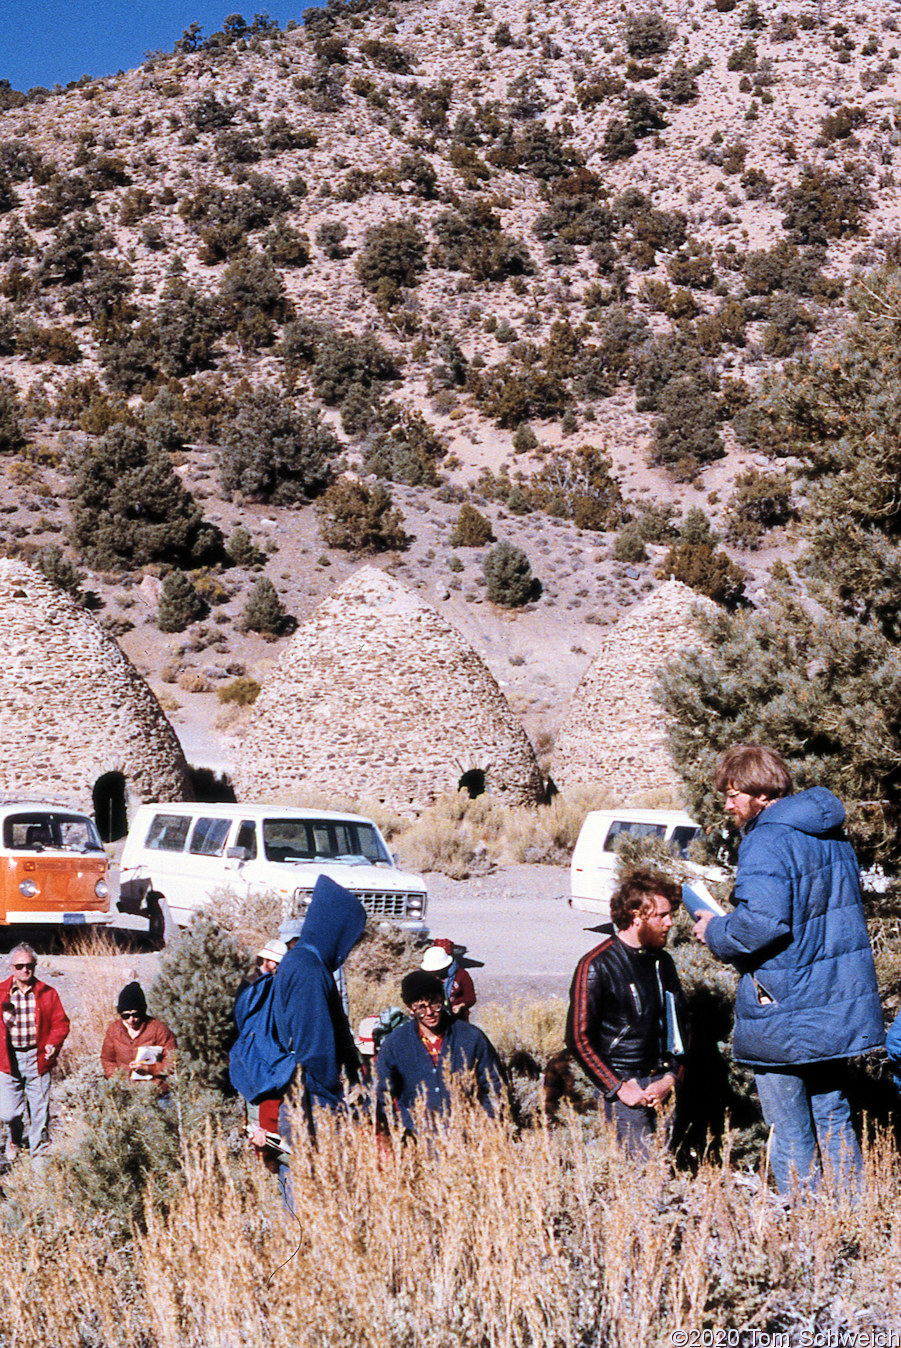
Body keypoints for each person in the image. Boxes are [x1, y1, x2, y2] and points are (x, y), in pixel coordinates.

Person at [693, 744, 884, 1196]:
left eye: (734, 793)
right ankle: (848, 1221)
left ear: (760, 793)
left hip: (783, 1004)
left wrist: (715, 931)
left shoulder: (767, 838)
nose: (727, 804)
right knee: (833, 1113)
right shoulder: (830, 835)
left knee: (788, 1126)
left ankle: (803, 1228)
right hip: (832, 1004)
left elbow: (761, 924)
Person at [565, 867, 687, 1155]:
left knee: (665, 1168)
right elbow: (577, 1038)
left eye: (671, 915)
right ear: (636, 916)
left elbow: (681, 1028)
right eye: (662, 916)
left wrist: (670, 1078)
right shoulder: (596, 965)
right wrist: (619, 1087)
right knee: (640, 1178)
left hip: (662, 1086)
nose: (670, 923)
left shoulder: (662, 962)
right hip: (625, 1088)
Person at [273, 875, 366, 1126]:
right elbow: (315, 1050)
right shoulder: (310, 973)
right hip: (311, 1106)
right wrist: (331, 1101)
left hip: (299, 1094)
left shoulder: (301, 960)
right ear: (334, 932)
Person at [375, 969, 505, 1134]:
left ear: (443, 1001)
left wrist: (488, 1125)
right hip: (417, 1137)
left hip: (467, 1136)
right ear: (410, 1009)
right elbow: (381, 1093)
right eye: (421, 1007)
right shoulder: (395, 1043)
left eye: (434, 1004)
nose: (429, 1012)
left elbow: (494, 1086)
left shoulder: (471, 1037)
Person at [0, 943, 70, 1163]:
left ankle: (39, 1157)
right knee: (10, 1113)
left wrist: (53, 1044)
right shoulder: (1, 992)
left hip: (37, 1058)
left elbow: (61, 1023)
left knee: (39, 1112)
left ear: (35, 966)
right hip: (7, 1060)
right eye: (19, 966)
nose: (24, 970)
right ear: (11, 967)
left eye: (29, 965)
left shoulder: (47, 993)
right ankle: (14, 1138)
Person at [229, 939, 295, 1165]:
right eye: (274, 963)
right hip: (256, 1048)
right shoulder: (253, 984)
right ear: (265, 960)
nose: (276, 967)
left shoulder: (257, 983)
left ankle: (267, 1153)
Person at [100, 982, 177, 1092]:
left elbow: (173, 1061)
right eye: (126, 1016)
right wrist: (117, 1080)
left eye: (135, 1014)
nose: (131, 1019)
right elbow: (107, 1060)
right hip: (125, 1089)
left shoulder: (159, 1029)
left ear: (143, 1011)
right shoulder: (114, 1030)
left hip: (155, 1090)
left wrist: (149, 1069)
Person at [420, 938, 477, 1020]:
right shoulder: (422, 977)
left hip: (457, 1019)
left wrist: (461, 1005)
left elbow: (470, 996)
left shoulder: (461, 975)